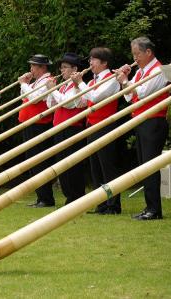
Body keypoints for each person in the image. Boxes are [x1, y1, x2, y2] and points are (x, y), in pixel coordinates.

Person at [115, 36, 169, 220]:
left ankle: (154, 209)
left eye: (137, 54)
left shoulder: (160, 69)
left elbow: (143, 93)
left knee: (150, 166)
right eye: (133, 54)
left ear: (148, 52)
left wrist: (126, 81)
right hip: (141, 120)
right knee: (143, 165)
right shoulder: (140, 72)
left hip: (154, 122)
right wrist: (124, 80)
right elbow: (129, 98)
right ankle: (149, 207)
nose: (135, 58)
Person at [71, 47, 122, 214]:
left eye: (94, 60)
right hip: (92, 126)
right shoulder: (92, 81)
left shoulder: (111, 79)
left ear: (104, 62)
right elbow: (81, 104)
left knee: (107, 166)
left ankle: (113, 204)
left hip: (105, 126)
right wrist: (77, 87)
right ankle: (101, 203)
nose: (90, 63)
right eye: (90, 59)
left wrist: (80, 83)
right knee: (95, 168)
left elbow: (95, 97)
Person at [46, 53, 86, 205]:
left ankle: (76, 195)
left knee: (73, 164)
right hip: (59, 127)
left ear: (74, 69)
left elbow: (68, 103)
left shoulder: (76, 86)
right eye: (61, 68)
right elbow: (51, 105)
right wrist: (51, 90)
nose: (62, 71)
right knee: (61, 162)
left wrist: (53, 90)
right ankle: (68, 195)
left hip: (72, 128)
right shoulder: (63, 86)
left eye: (65, 67)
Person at [18, 54, 55, 208]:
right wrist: (25, 84)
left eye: (33, 66)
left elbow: (35, 98)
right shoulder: (35, 82)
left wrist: (24, 84)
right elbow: (24, 97)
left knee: (40, 162)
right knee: (32, 162)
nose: (31, 69)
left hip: (39, 125)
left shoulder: (48, 80)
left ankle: (46, 198)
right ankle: (40, 197)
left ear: (42, 67)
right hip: (30, 124)